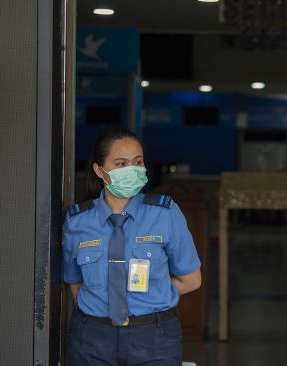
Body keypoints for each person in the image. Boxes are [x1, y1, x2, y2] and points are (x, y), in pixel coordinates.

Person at [63, 128, 202, 366]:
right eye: (121, 163)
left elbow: (191, 279)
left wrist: (152, 294)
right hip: (92, 339)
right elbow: (74, 281)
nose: (132, 170)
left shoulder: (165, 214)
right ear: (99, 170)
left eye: (138, 162)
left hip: (153, 337)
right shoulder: (77, 221)